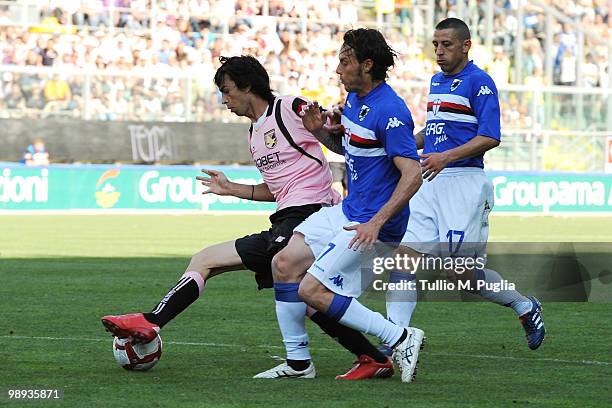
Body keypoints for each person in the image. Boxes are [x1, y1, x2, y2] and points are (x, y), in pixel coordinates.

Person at [101, 55, 392, 379]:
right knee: (207, 259)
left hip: (313, 214)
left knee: (298, 287)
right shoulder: (254, 135)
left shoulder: (288, 108)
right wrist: (231, 188)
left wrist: (333, 119)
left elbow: (330, 127)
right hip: (285, 219)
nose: (224, 100)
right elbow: (276, 188)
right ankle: (372, 355)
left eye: (226, 91)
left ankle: (152, 322)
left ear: (247, 86)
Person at [255, 28, 425, 383]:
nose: (337, 69)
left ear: (367, 65)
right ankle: (299, 365)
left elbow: (411, 175)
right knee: (283, 264)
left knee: (312, 290)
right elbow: (356, 151)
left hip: (373, 224)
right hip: (349, 211)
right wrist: (319, 131)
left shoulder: (390, 110)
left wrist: (376, 223)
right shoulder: (354, 101)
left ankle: (400, 338)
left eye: (345, 61)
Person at [388, 18, 545, 350]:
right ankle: (396, 339)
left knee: (462, 277)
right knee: (402, 259)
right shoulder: (436, 81)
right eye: (435, 45)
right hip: (429, 182)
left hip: (465, 184)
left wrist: (445, 157)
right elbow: (432, 133)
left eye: (446, 45)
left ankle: (524, 305)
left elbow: (490, 137)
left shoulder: (480, 82)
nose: (439, 52)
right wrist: (400, 146)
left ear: (465, 45)